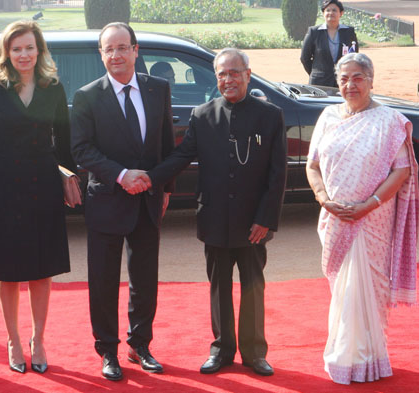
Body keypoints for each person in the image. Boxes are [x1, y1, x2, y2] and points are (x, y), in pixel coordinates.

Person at [146, 48, 287, 377]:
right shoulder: (203, 114)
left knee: (253, 286)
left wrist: (265, 218)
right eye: (222, 74)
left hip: (253, 222)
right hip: (214, 218)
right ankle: (222, 349)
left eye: (234, 73)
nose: (228, 80)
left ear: (248, 75)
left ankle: (254, 353)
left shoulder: (269, 116)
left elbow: (277, 173)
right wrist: (151, 177)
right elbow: (182, 156)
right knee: (219, 287)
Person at [70, 22, 175, 381]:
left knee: (145, 278)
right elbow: (81, 150)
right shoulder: (87, 95)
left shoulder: (158, 89)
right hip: (107, 200)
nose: (115, 55)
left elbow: (165, 144)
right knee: (103, 280)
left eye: (121, 47)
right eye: (108, 49)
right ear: (101, 54)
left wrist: (166, 188)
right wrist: (121, 175)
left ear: (135, 49)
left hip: (148, 200)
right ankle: (108, 350)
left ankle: (140, 344)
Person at [0, 20, 79, 374]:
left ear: (40, 50)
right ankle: (13, 340)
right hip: (4, 190)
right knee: (8, 273)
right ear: (7, 52)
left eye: (29, 48)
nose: (23, 54)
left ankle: (39, 339)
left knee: (41, 271)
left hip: (43, 189)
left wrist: (68, 177)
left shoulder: (53, 88)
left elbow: (64, 145)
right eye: (16, 48)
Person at [306, 53, 417, 385]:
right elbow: (313, 166)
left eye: (357, 77)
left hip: (373, 221)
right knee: (343, 290)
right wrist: (324, 200)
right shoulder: (327, 117)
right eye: (344, 78)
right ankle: (344, 356)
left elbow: (402, 170)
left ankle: (369, 359)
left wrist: (369, 204)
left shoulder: (389, 121)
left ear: (371, 80)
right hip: (336, 217)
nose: (350, 84)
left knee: (367, 289)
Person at [300, 0, 358, 87]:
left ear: (341, 13)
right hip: (319, 83)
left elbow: (354, 56)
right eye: (327, 10)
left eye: (334, 10)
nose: (331, 13)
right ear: (323, 13)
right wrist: (315, 73)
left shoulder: (349, 32)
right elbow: (305, 58)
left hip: (342, 82)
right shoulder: (314, 32)